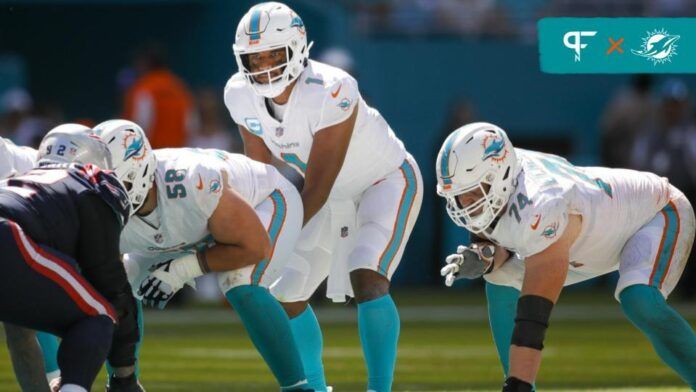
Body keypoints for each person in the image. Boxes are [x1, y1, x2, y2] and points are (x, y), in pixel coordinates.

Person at [225, 3, 423, 391]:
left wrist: (269, 241)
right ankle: (314, 388)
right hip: (325, 197)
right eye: (254, 57)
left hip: (384, 180)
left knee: (367, 273)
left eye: (272, 54)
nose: (263, 66)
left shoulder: (332, 88)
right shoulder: (239, 94)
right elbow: (261, 178)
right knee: (284, 294)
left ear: (297, 48)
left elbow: (318, 184)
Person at [436, 122, 696, 391]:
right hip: (586, 243)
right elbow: (501, 237)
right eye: (457, 197)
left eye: (472, 194)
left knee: (639, 299)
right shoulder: (502, 176)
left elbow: (534, 316)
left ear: (498, 176)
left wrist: (519, 383)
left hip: (656, 214)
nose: (464, 205)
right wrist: (485, 256)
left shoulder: (543, 201)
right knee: (500, 278)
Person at [93, 119, 311, 391]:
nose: (110, 195)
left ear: (140, 170)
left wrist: (182, 269)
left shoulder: (189, 179)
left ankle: (299, 388)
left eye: (119, 183)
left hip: (265, 201)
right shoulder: (95, 203)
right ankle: (123, 382)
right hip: (188, 228)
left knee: (239, 283)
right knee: (117, 283)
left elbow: (255, 246)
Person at [0, 127, 142, 392]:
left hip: (11, 241)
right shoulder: (90, 183)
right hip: (6, 236)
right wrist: (125, 377)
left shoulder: (24, 179)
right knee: (98, 315)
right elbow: (111, 284)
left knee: (19, 326)